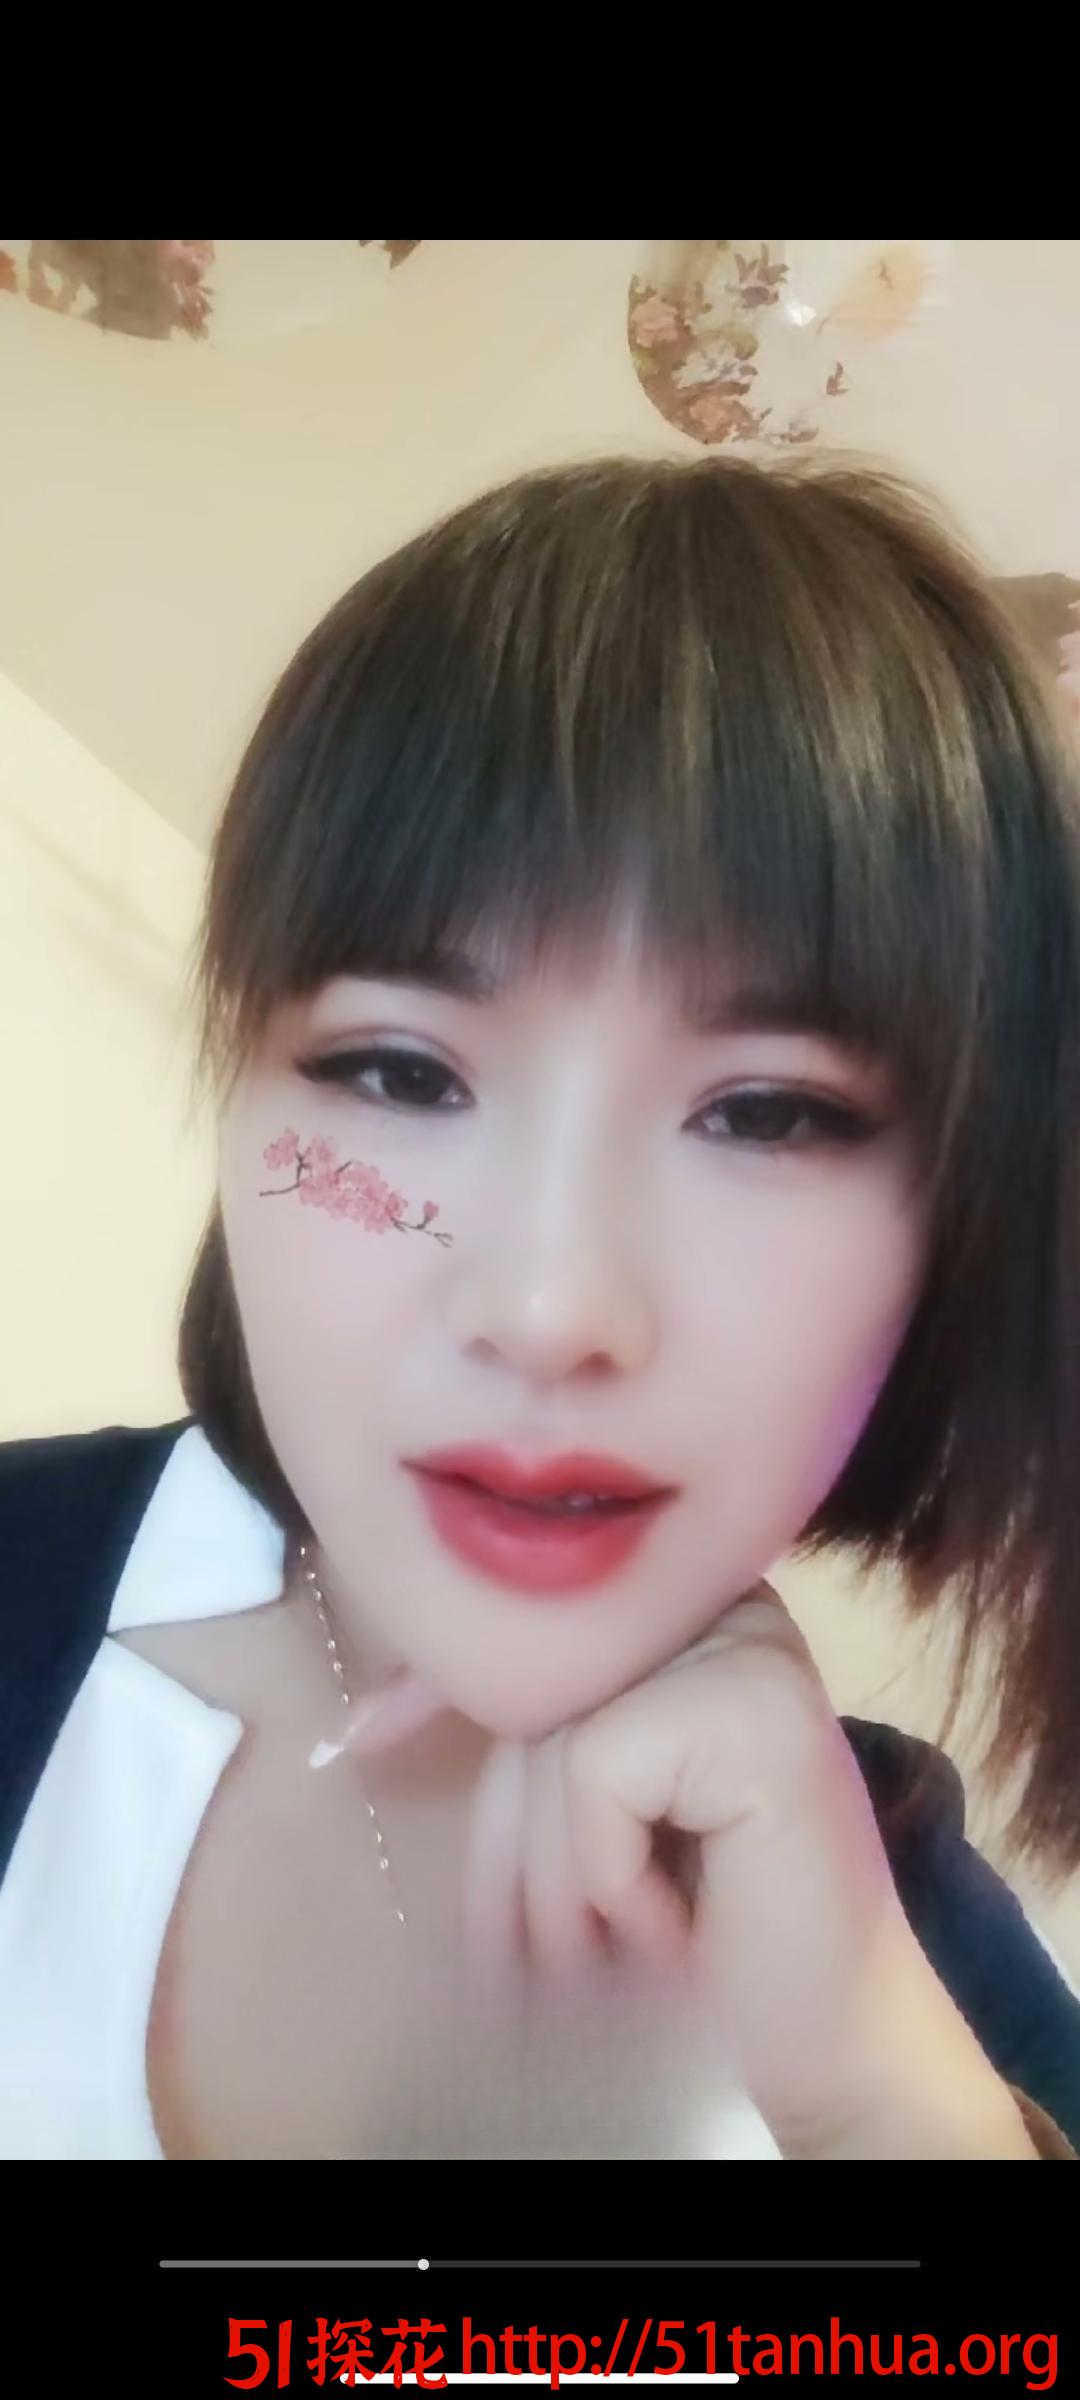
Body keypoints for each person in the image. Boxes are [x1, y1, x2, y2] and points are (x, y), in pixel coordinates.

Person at [3, 452, 1080, 2161]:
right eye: (397, 1071)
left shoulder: (933, 1982)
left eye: (768, 1114)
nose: (549, 1306)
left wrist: (883, 2103)